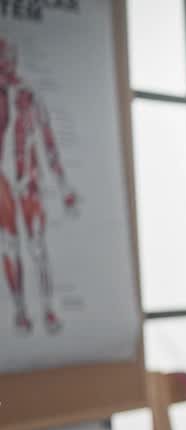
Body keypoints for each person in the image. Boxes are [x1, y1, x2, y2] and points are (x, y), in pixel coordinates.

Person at [0, 36, 77, 335]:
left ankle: (47, 308)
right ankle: (20, 310)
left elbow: (47, 141)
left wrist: (63, 187)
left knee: (37, 246)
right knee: (10, 246)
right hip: (4, 183)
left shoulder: (29, 97)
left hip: (28, 181)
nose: (7, 65)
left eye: (9, 59)